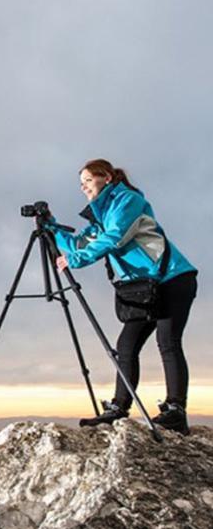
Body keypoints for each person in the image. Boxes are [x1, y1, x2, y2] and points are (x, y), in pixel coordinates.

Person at [51, 159, 198, 435]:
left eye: (87, 180)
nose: (83, 187)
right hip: (146, 287)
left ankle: (176, 411)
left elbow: (114, 238)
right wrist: (52, 228)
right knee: (127, 346)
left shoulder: (127, 201)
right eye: (80, 184)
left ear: (106, 177)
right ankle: (119, 408)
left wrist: (76, 259)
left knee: (167, 342)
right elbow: (79, 243)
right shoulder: (102, 215)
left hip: (174, 280)